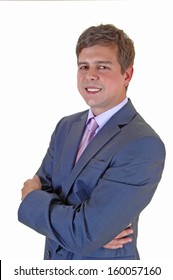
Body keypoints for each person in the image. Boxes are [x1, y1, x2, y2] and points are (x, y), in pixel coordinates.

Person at [18, 24, 166, 260]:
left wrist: (84, 229)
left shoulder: (142, 143)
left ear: (127, 75)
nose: (90, 75)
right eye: (83, 66)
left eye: (103, 66)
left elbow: (83, 234)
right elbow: (38, 189)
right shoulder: (66, 127)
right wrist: (86, 226)